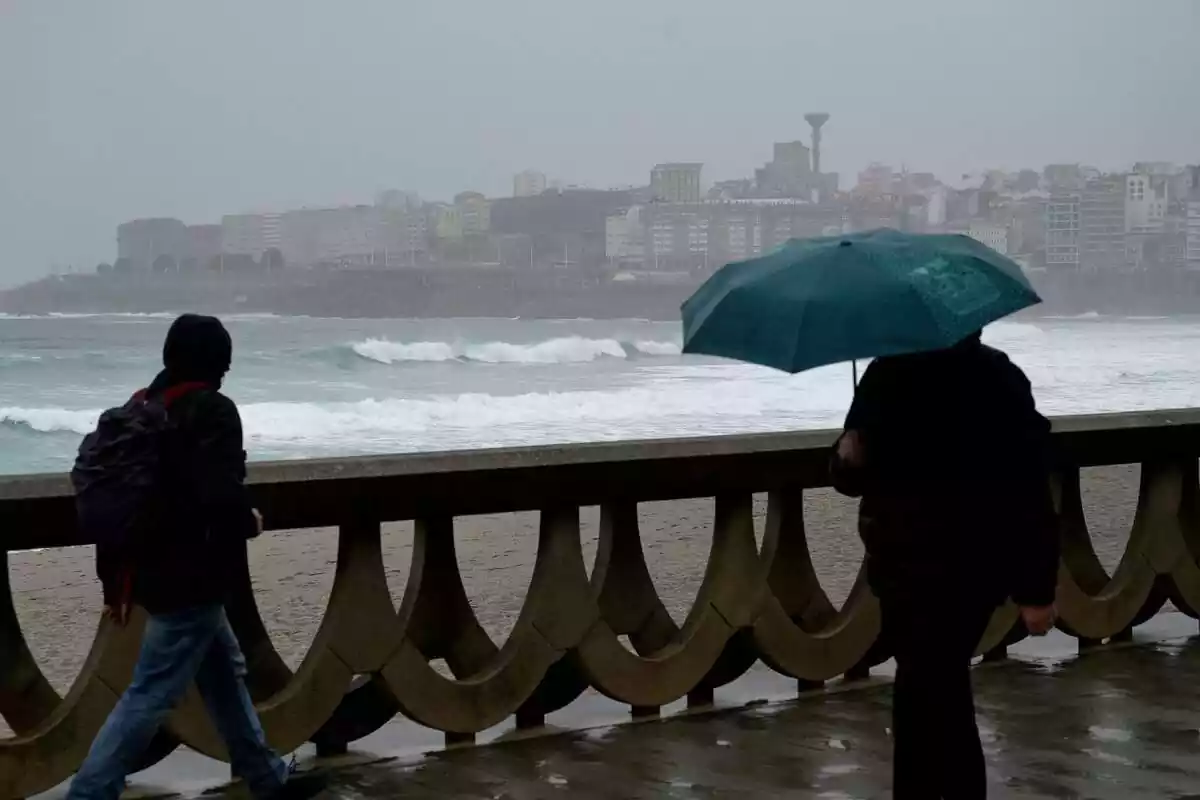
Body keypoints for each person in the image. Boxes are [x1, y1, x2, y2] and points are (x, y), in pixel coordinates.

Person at [68, 315, 325, 800]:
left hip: (147, 570)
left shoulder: (141, 405)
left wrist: (113, 580)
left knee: (224, 673)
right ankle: (88, 792)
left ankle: (267, 778)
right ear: (218, 362)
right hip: (192, 575)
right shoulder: (212, 410)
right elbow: (217, 494)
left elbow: (121, 496)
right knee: (151, 692)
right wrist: (247, 520)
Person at [830, 330, 1059, 800]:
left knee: (928, 687)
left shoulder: (886, 373)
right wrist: (1036, 588)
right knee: (933, 684)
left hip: (907, 563)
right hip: (970, 565)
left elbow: (850, 474)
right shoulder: (999, 376)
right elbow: (1030, 488)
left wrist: (847, 459)